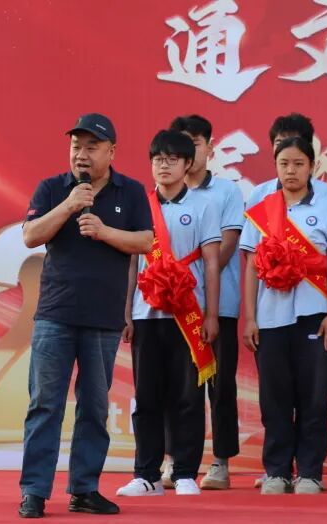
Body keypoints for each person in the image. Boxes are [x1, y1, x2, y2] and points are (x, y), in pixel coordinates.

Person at [19, 113, 154, 518]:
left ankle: (84, 488)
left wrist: (104, 231)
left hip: (103, 318)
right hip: (55, 315)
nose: (82, 153)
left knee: (94, 407)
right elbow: (31, 235)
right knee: (45, 405)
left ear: (111, 152)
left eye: (92, 147)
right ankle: (34, 491)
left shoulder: (130, 192)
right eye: (76, 146)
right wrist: (69, 205)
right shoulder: (53, 189)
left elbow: (146, 241)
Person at [240, 136, 327, 495]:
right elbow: (251, 266)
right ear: (275, 166)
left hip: (314, 315)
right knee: (275, 398)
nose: (291, 170)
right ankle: (276, 471)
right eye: (284, 163)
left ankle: (310, 472)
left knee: (313, 397)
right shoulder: (262, 209)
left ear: (312, 167)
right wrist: (250, 318)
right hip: (270, 318)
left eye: (299, 164)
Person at [116, 130, 221, 497]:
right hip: (146, 314)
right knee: (146, 397)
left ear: (187, 164)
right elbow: (132, 261)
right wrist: (126, 311)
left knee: (188, 396)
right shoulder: (140, 205)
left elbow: (211, 263)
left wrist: (211, 314)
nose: (164, 165)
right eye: (158, 159)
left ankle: (185, 471)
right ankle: (146, 474)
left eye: (172, 159)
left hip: (187, 314)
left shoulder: (203, 206)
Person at [165, 115, 245, 491]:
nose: (189, 151)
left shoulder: (226, 192)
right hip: (173, 307)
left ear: (209, 148)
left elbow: (224, 248)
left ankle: (220, 461)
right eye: (181, 144)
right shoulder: (164, 193)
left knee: (220, 385)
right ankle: (174, 459)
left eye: (195, 143)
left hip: (217, 306)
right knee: (176, 386)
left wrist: (192, 283)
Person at [245, 113, 327, 209]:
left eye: (293, 141)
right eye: (280, 143)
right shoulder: (259, 195)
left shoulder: (326, 194)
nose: (286, 148)